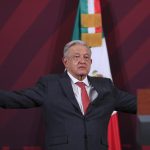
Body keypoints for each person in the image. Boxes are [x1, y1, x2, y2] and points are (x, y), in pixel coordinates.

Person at [0, 40, 136, 150]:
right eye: (76, 57)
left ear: (91, 62)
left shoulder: (105, 86)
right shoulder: (50, 85)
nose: (82, 60)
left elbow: (138, 104)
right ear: (65, 62)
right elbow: (16, 98)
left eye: (86, 57)